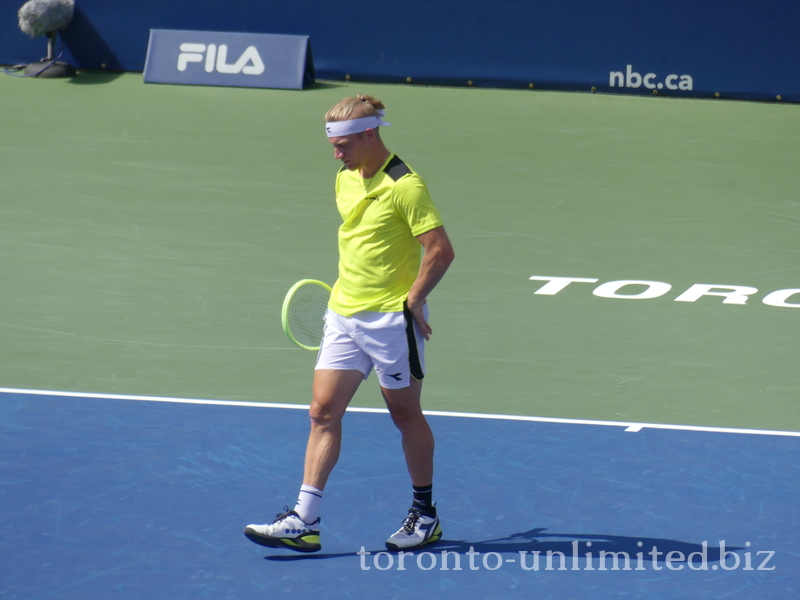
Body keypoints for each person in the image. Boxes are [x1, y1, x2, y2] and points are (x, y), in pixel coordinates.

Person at [245, 94, 455, 553]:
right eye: (332, 145)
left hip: (390, 321)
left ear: (369, 134)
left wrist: (415, 298)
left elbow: (440, 250)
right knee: (322, 412)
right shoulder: (343, 177)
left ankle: (426, 515)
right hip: (342, 314)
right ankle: (305, 519)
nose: (336, 153)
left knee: (404, 414)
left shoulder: (406, 185)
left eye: (342, 144)